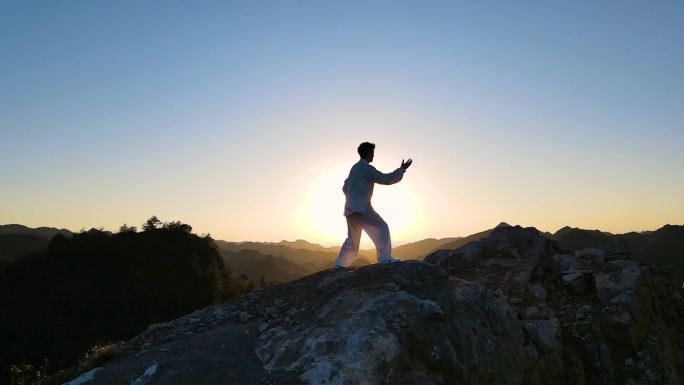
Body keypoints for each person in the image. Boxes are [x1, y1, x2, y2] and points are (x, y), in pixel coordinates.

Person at [333, 142, 413, 268]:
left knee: (352, 239)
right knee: (382, 227)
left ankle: (340, 264)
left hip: (350, 208)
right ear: (368, 153)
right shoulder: (367, 168)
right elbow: (386, 179)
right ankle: (385, 258)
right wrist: (402, 169)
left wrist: (352, 197)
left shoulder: (354, 168)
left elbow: (345, 187)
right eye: (372, 153)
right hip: (362, 207)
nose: (373, 155)